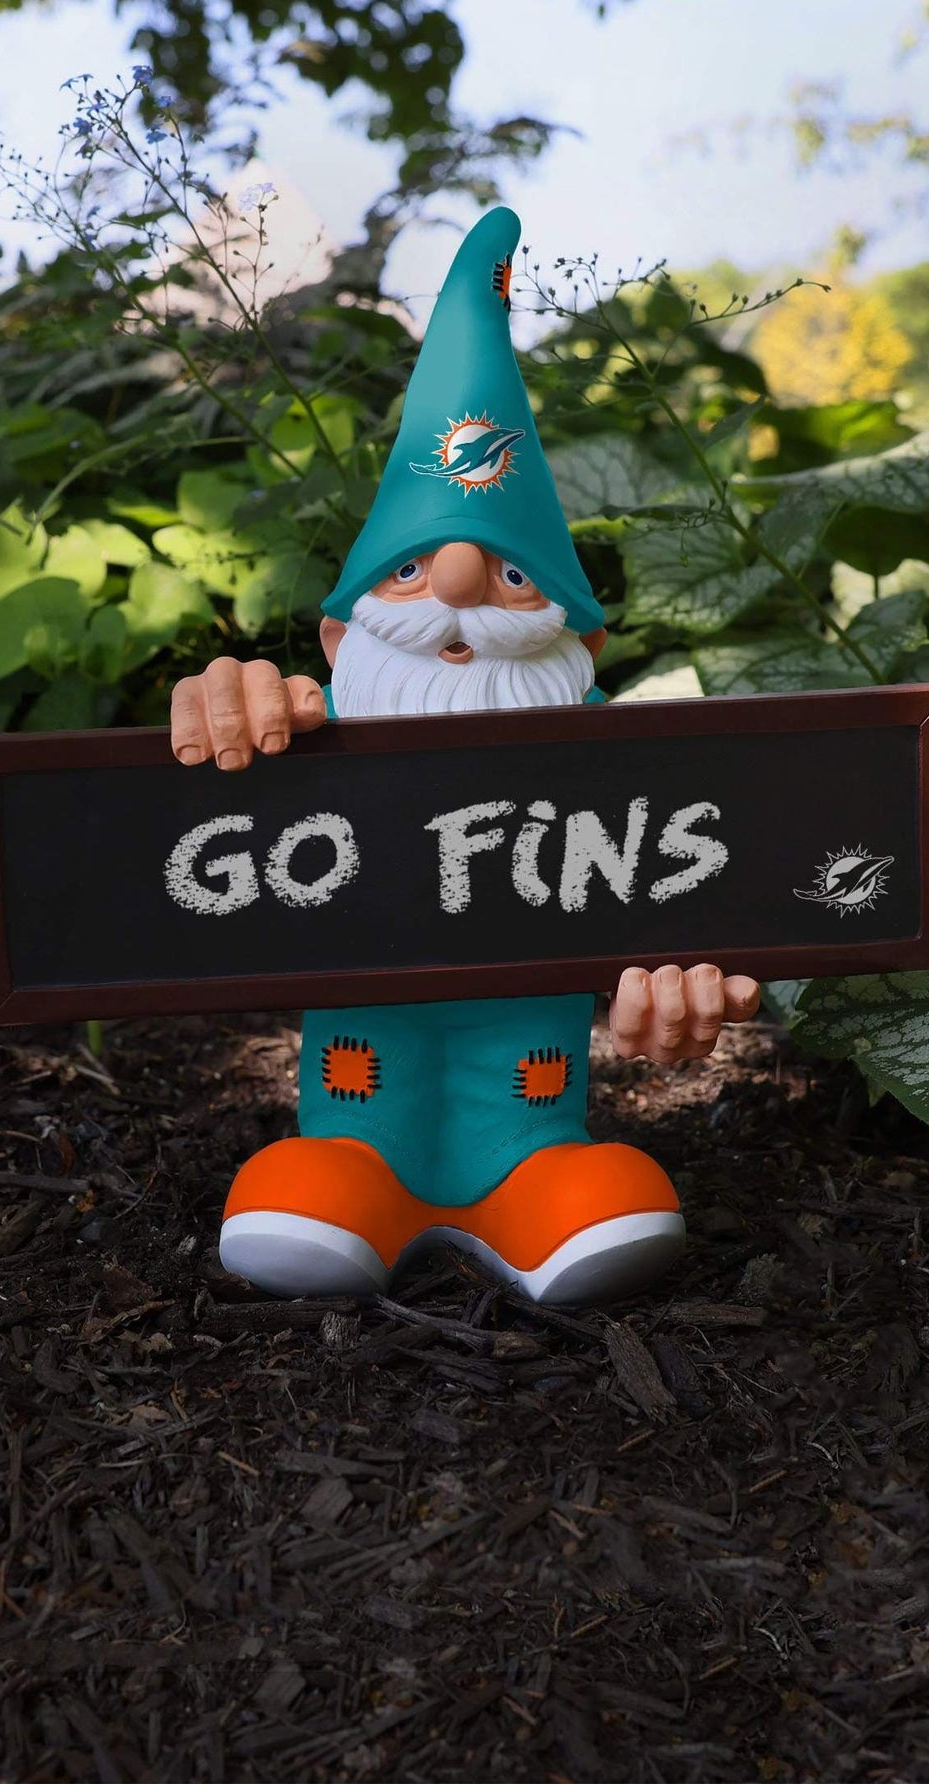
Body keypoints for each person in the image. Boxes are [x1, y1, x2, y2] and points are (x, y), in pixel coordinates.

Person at [169, 207, 761, 1304]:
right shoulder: (313, 731)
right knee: (324, 1166)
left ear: (582, 650)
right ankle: (355, 1172)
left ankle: (530, 1180)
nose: (453, 590)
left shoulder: (619, 776)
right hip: (353, 1105)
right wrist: (223, 715)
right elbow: (184, 834)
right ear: (339, 639)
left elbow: (690, 874)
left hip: (535, 1114)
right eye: (407, 573)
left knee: (586, 1175)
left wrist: (677, 967)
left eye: (512, 578)